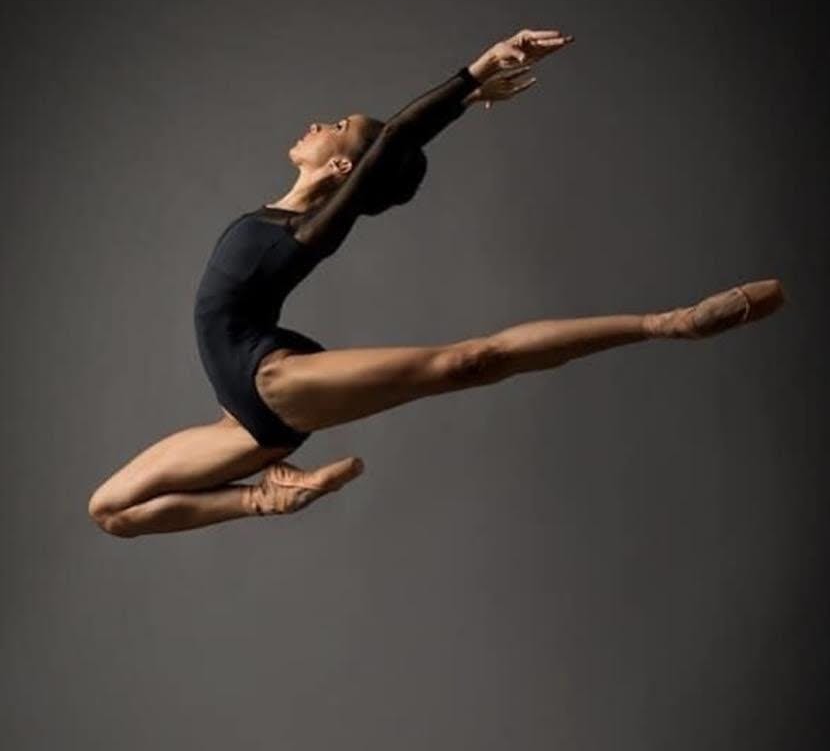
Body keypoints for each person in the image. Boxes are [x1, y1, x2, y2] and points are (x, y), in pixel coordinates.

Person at [87, 27, 786, 537]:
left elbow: (389, 144)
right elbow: (386, 148)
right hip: (239, 423)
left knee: (466, 363)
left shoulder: (311, 231)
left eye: (335, 127)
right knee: (111, 512)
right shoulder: (279, 213)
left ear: (342, 172)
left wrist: (473, 74)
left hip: (268, 378)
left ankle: (670, 323)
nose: (317, 123)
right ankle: (269, 498)